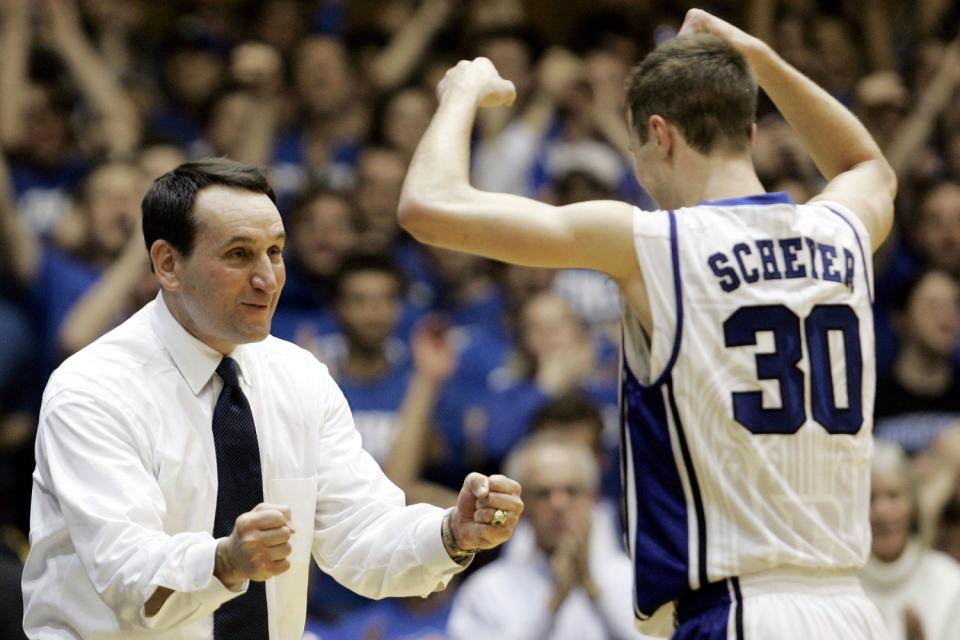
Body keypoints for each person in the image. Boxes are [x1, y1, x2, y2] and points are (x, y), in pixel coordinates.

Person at [399, 8, 895, 639]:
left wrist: (461, 92)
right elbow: (866, 164)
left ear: (660, 136)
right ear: (749, 122)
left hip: (738, 612)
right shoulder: (842, 229)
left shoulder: (656, 242)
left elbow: (427, 206)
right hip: (852, 608)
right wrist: (756, 56)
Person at [21, 158, 523, 639]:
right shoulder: (91, 389)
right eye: (239, 254)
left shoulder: (299, 376)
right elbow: (127, 576)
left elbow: (360, 534)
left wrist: (452, 534)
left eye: (276, 252)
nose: (267, 278)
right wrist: (225, 561)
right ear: (168, 264)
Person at [447, 434, 648, 639]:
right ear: (521, 507)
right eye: (543, 494)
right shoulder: (486, 590)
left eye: (571, 491)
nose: (558, 505)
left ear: (593, 498)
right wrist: (554, 603)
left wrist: (592, 588)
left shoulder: (632, 578)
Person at [860, 441, 960, 640]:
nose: (883, 512)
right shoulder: (843, 583)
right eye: (870, 499)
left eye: (894, 496)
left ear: (913, 507)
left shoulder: (949, 580)